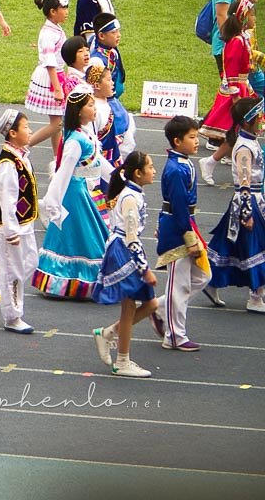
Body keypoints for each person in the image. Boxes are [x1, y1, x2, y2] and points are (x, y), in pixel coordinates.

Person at [35, 87, 112, 299]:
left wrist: (117, 176)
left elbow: (98, 162)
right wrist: (53, 201)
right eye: (89, 105)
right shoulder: (75, 141)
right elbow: (63, 173)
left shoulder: (87, 134)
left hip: (90, 192)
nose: (94, 108)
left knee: (83, 238)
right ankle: (84, 282)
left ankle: (78, 282)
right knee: (90, 240)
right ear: (78, 111)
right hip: (78, 196)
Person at [92, 152, 160, 377]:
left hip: (127, 249)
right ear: (138, 173)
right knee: (130, 306)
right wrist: (145, 268)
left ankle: (109, 333)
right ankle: (122, 360)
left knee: (149, 304)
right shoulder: (130, 197)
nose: (154, 171)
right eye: (150, 167)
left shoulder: (134, 194)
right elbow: (131, 237)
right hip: (123, 252)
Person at [205, 99, 265, 313]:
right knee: (256, 247)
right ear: (249, 122)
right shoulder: (243, 147)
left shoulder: (250, 141)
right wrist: (247, 213)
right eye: (259, 118)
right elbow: (245, 181)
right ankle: (256, 297)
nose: (262, 121)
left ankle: (211, 282)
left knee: (227, 244)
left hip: (254, 200)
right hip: (247, 202)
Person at [157, 115, 211, 351]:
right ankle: (175, 335)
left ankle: (161, 306)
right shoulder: (176, 169)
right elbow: (178, 205)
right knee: (179, 284)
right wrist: (189, 236)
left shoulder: (183, 162)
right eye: (192, 137)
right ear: (177, 141)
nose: (196, 141)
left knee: (202, 276)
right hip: (177, 229)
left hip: (186, 223)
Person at [200, 0, 257, 184]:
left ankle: (221, 162)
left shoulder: (241, 38)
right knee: (237, 131)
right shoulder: (237, 41)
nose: (254, 19)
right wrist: (236, 98)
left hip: (242, 88)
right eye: (251, 15)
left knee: (240, 131)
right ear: (243, 17)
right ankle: (213, 161)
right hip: (236, 91)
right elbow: (231, 71)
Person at [0, 110, 39, 334]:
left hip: (24, 223)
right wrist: (11, 231)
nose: (30, 131)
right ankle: (13, 316)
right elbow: (7, 199)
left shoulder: (21, 157)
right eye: (25, 127)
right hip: (11, 227)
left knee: (31, 261)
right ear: (12, 133)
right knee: (13, 271)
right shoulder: (7, 163)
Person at [25, 0, 70, 154]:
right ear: (53, 11)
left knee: (57, 122)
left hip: (56, 76)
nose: (67, 12)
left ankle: (57, 159)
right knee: (58, 123)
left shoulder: (54, 29)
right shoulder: (49, 34)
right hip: (51, 78)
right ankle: (23, 145)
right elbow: (50, 62)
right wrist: (57, 88)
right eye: (64, 8)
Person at [89, 12, 126, 100]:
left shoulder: (113, 52)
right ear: (101, 36)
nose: (118, 35)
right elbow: (94, 90)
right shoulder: (96, 60)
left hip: (112, 99)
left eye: (118, 31)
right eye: (114, 32)